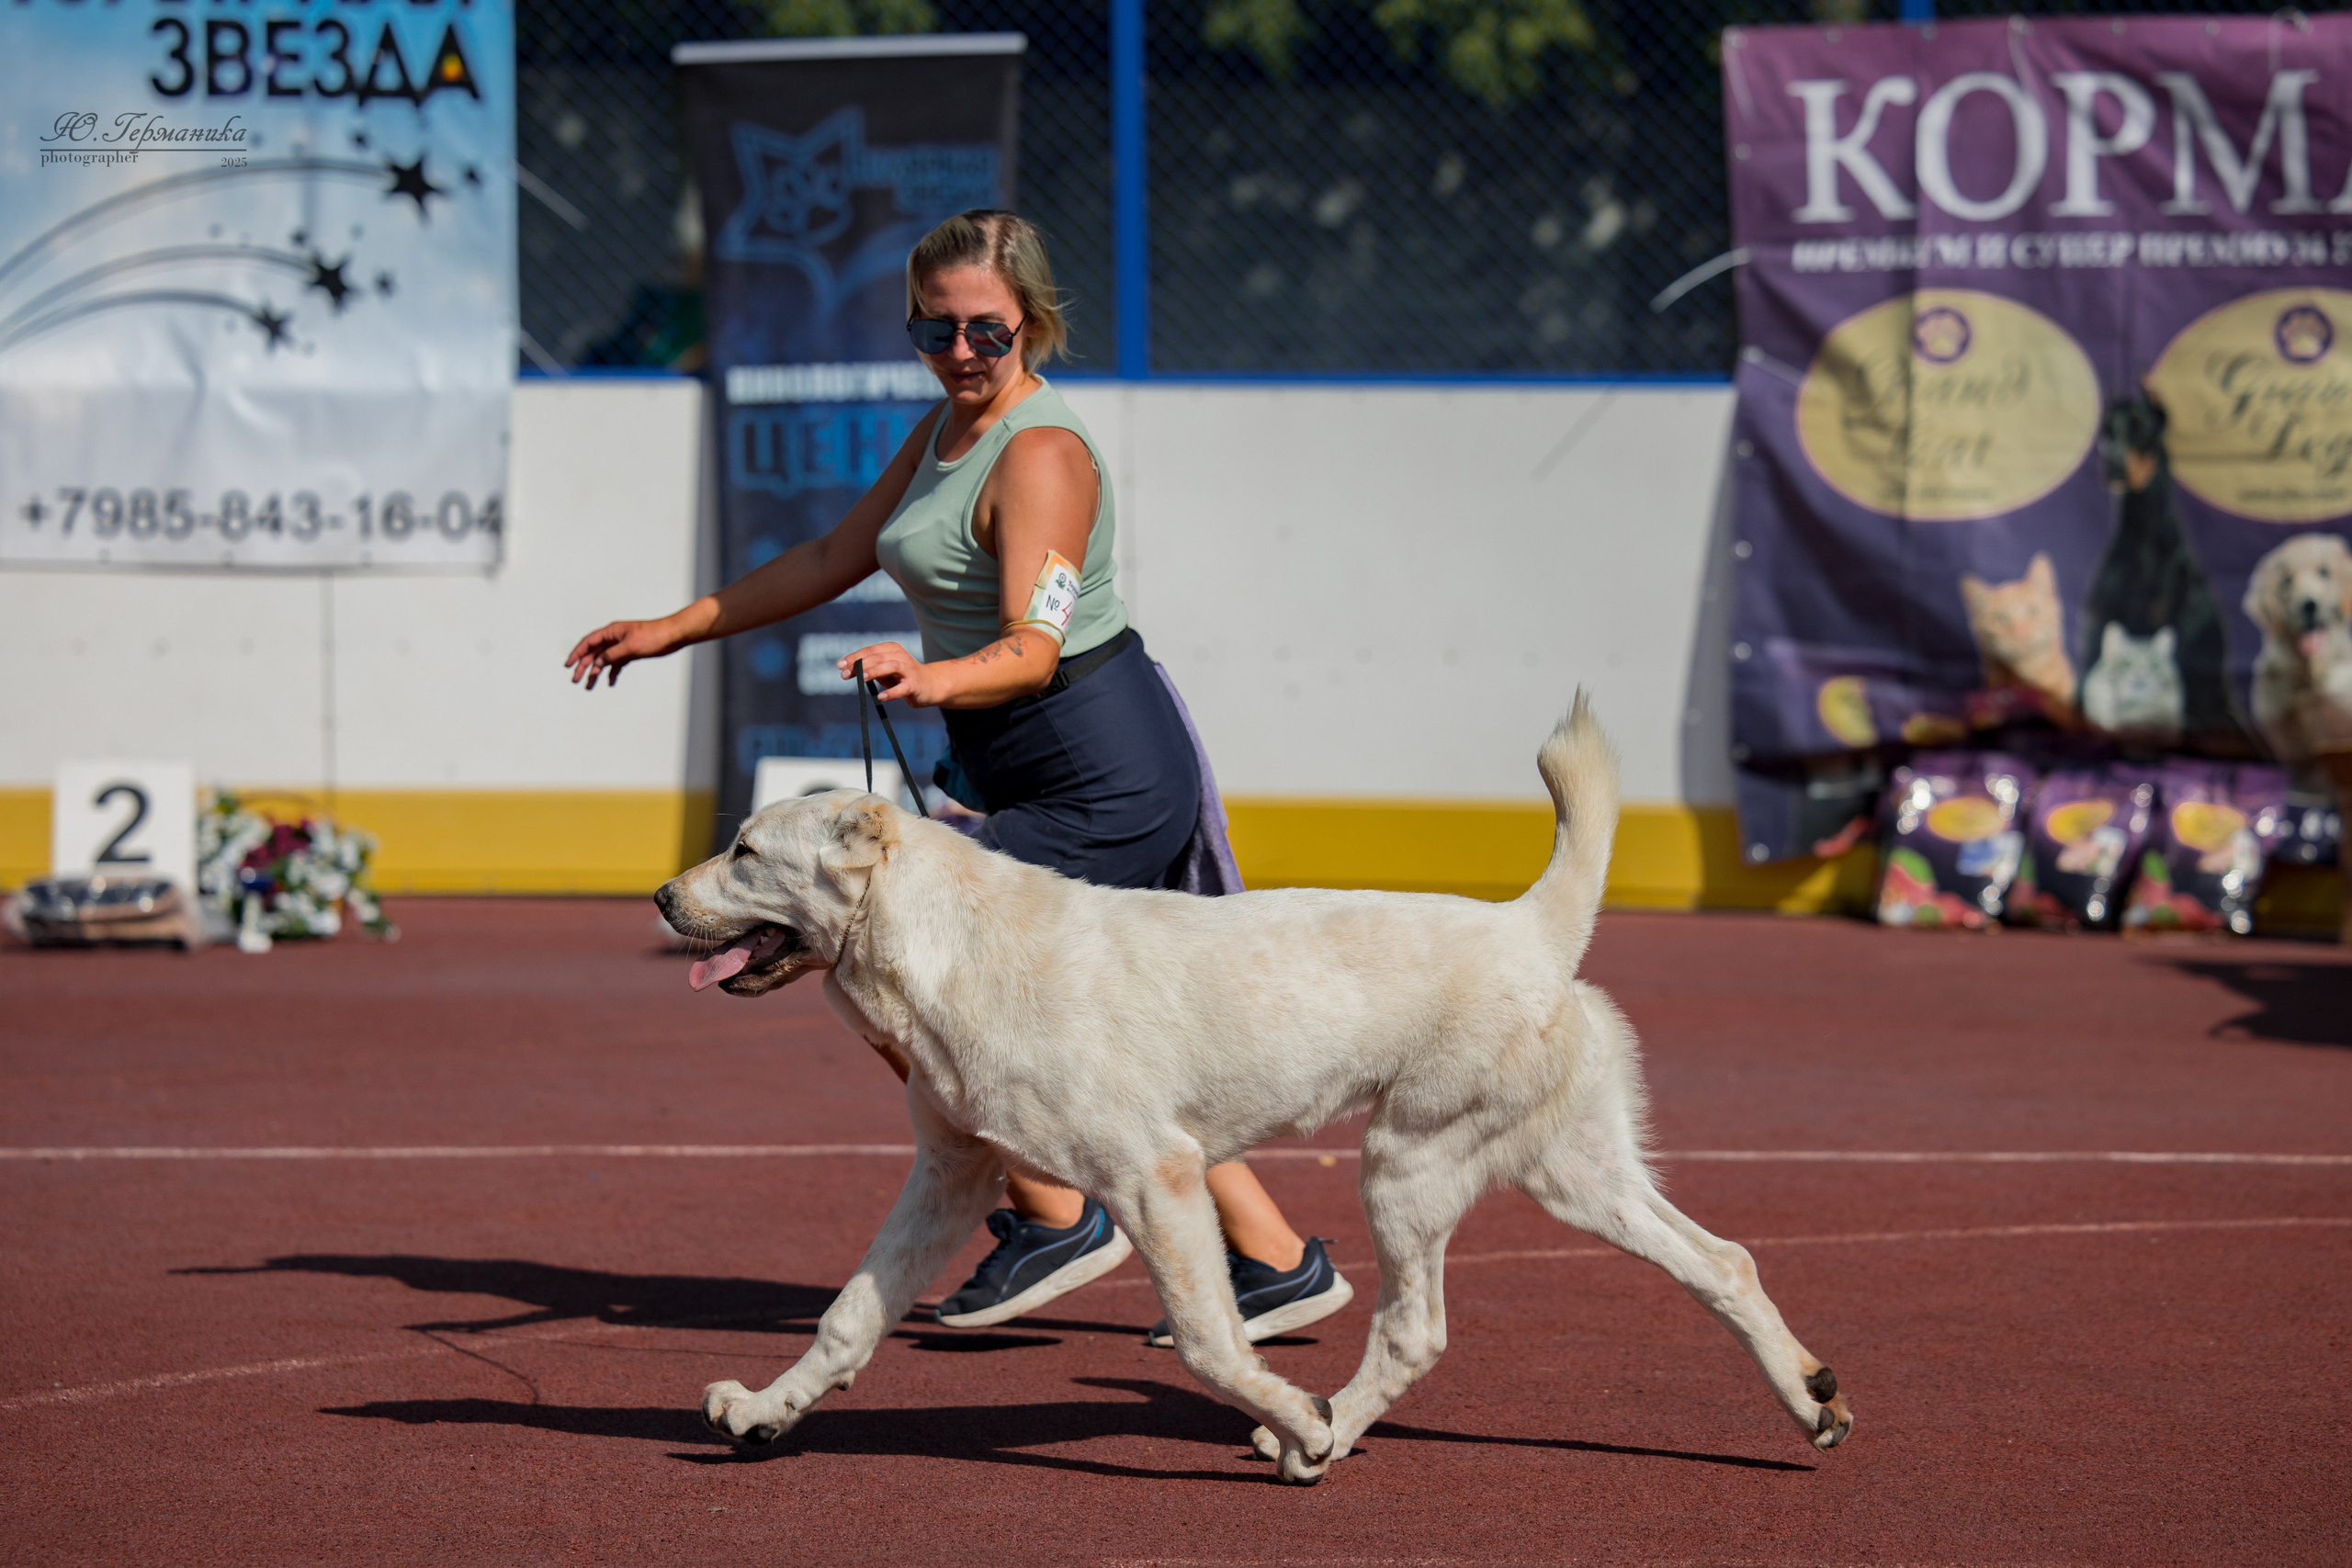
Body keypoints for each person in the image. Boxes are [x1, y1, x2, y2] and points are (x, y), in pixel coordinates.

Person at [565, 209, 1351, 1343]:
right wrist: (672, 627)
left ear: (1030, 321)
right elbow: (832, 558)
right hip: (1028, 762)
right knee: (1091, 1038)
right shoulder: (945, 427)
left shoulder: (1041, 453)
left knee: (879, 956)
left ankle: (1052, 1216)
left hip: (1102, 770)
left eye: (986, 331)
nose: (961, 354)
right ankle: (1274, 1263)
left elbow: (1034, 646)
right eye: (935, 332)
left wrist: (926, 677)